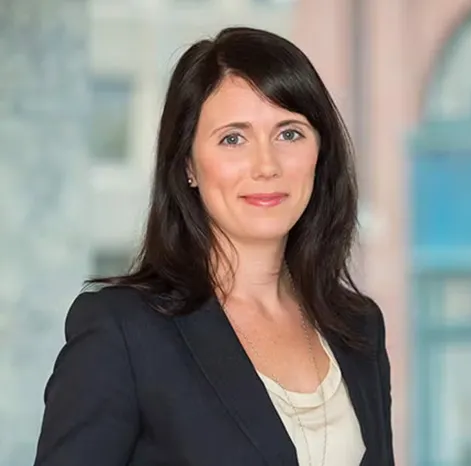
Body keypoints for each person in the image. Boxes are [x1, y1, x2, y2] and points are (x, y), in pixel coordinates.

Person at [33, 26, 394, 466]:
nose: (266, 165)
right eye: (233, 139)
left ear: (320, 154)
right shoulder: (123, 331)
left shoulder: (358, 328)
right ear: (188, 165)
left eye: (289, 133)